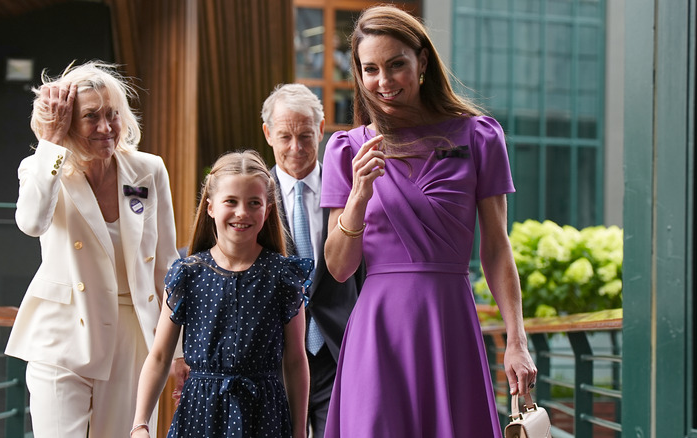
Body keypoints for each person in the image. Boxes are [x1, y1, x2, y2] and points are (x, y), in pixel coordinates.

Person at [320, 5, 538, 437]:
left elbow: (496, 248)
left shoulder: (479, 136)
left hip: (449, 324)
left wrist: (517, 339)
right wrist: (360, 195)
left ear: (422, 61)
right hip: (377, 334)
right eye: (371, 69)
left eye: (396, 64)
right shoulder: (346, 149)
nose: (383, 82)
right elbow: (339, 267)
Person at [4, 60, 178, 437]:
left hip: (132, 337)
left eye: (112, 114)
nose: (105, 127)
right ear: (66, 122)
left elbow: (166, 265)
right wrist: (50, 145)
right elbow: (32, 222)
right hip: (62, 336)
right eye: (91, 116)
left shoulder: (149, 170)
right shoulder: (42, 168)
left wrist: (178, 353)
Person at [131, 150, 311, 438]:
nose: (242, 212)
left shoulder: (283, 276)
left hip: (263, 415)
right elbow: (160, 355)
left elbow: (295, 359)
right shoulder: (187, 274)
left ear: (267, 209)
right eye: (231, 201)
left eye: (254, 203)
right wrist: (140, 423)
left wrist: (300, 431)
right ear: (211, 206)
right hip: (199, 414)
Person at [260, 83, 362, 436]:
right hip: (275, 357)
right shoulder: (254, 201)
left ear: (321, 130)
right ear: (268, 134)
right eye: (285, 136)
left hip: (339, 352)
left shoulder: (351, 191)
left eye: (305, 135)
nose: (296, 148)